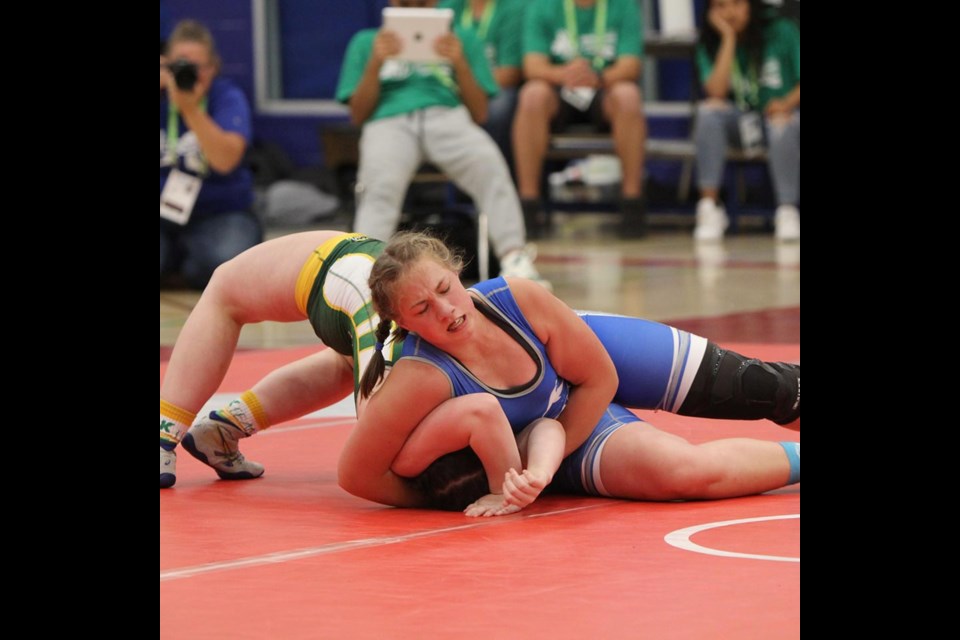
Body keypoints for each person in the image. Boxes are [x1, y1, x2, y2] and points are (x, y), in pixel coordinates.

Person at [338, 231, 800, 510]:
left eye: (445, 288)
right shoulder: (421, 375)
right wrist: (452, 495)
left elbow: (600, 378)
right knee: (684, 474)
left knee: (760, 388)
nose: (445, 311)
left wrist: (546, 457)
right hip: (557, 434)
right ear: (402, 323)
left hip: (587, 368)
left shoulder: (515, 298)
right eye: (422, 308)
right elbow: (357, 475)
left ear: (459, 272)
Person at [159, 231, 398, 488]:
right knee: (351, 365)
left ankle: (184, 432)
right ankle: (207, 431)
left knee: (224, 291)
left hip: (344, 269)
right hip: (351, 278)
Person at [337, 0, 548, 286]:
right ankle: (363, 269)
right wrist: (375, 63)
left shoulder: (462, 38)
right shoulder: (366, 42)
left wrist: (459, 63)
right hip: (388, 121)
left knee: (490, 165)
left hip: (448, 117)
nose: (414, 7)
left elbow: (480, 112)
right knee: (379, 184)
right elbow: (358, 114)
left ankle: (514, 257)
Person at [512, 0, 647, 238]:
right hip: (558, 87)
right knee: (531, 95)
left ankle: (632, 204)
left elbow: (631, 65)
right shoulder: (541, 6)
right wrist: (564, 74)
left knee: (629, 96)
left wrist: (597, 76)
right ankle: (528, 206)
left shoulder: (624, 6)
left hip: (604, 86)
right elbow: (532, 66)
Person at [160, 20, 262, 289]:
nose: (189, 75)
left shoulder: (227, 98)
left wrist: (191, 110)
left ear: (214, 67)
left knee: (223, 263)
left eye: (197, 68)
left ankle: (182, 266)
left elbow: (225, 160)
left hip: (220, 212)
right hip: (162, 213)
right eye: (180, 66)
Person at [692, 0, 800, 242]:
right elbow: (716, 92)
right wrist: (728, 38)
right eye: (720, 6)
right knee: (708, 112)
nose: (729, 12)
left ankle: (787, 210)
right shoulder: (710, 41)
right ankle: (709, 207)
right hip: (741, 122)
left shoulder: (782, 30)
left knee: (783, 125)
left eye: (737, 3)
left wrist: (787, 103)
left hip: (782, 118)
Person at [439, 0, 527, 165]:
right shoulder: (445, 9)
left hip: (496, 87)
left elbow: (510, 73)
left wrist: (471, 88)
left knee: (498, 108)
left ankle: (492, 171)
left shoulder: (513, 8)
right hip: (451, 87)